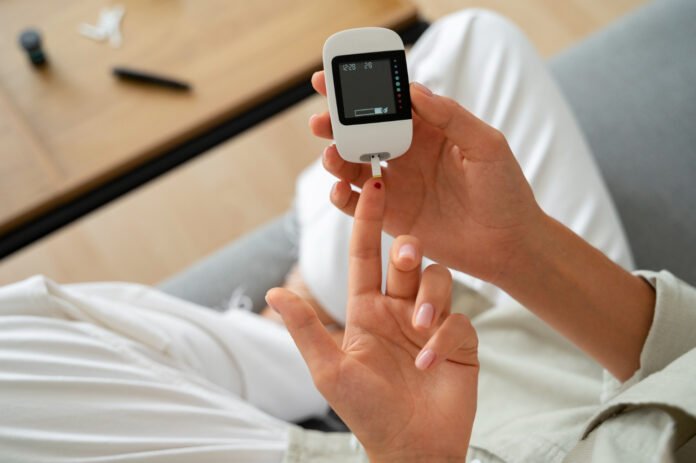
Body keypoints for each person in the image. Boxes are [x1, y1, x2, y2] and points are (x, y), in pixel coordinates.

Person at [0, 9, 694, 463]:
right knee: (476, 40)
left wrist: (415, 454)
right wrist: (520, 248)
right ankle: (318, 310)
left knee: (13, 341)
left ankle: (301, 346)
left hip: (419, 446)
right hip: (576, 352)